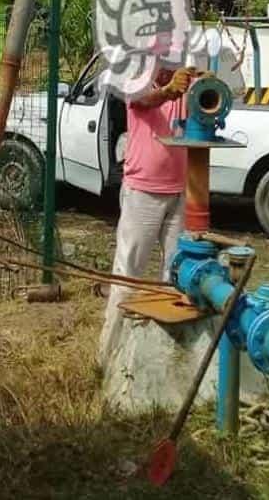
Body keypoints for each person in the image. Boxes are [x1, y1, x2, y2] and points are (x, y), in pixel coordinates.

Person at [98, 65, 195, 363]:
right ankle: (108, 354)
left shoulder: (185, 81)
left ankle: (166, 358)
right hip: (143, 191)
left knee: (177, 276)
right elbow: (146, 100)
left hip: (180, 190)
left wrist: (204, 84)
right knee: (129, 273)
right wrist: (169, 91)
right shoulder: (136, 78)